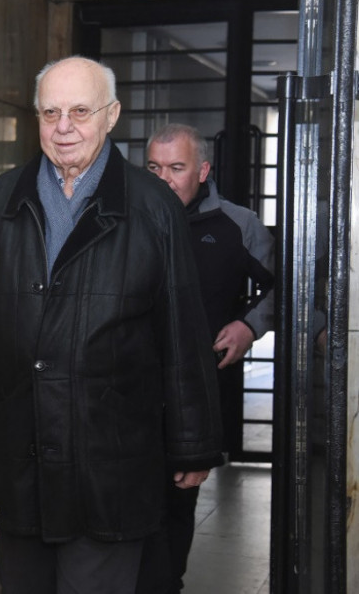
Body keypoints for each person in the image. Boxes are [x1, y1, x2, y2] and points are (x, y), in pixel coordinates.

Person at [0, 55, 224, 594]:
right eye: (50, 112)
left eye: (80, 111)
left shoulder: (153, 208)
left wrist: (193, 443)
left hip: (111, 464)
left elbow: (183, 332)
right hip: (16, 462)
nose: (64, 127)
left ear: (112, 115)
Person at [141, 122, 275, 593]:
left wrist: (249, 325)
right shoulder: (127, 220)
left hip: (194, 395)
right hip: (129, 392)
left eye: (176, 168)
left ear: (203, 171)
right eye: (153, 168)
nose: (163, 179)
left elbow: (285, 287)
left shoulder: (238, 224)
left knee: (178, 502)